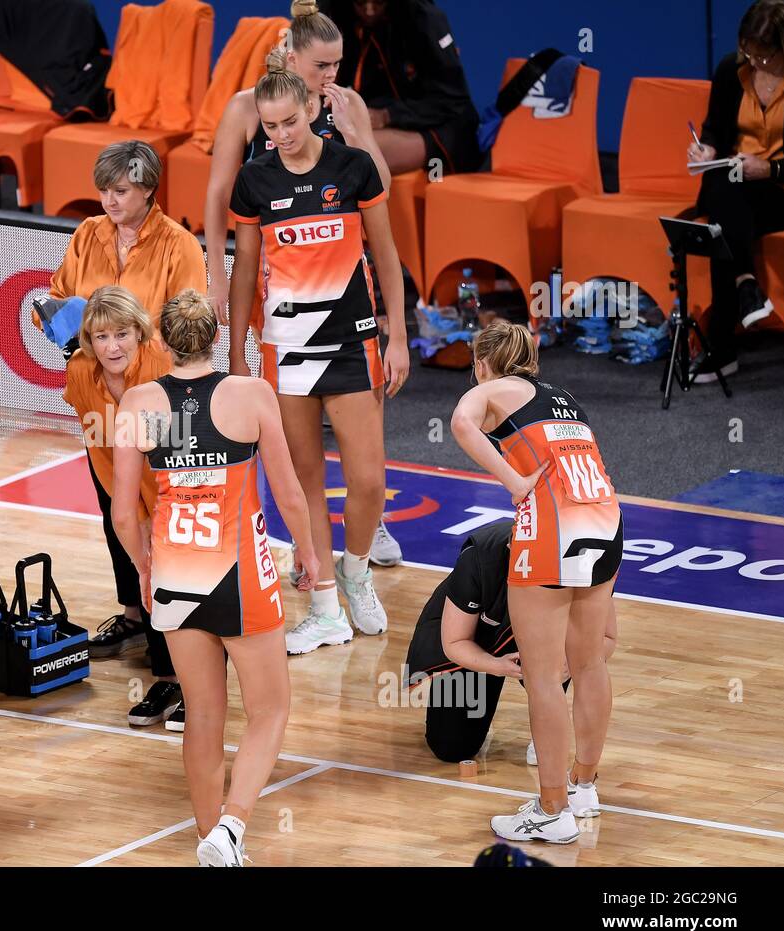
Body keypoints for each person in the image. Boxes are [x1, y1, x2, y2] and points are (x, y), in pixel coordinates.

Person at [112, 290, 320, 866]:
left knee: (202, 715)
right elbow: (289, 491)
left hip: (175, 575)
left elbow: (123, 514)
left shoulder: (136, 402)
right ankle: (231, 825)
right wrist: (308, 555)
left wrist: (146, 568)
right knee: (270, 711)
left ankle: (215, 841)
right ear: (218, 339)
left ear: (159, 343)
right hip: (238, 574)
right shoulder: (251, 394)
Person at [203, 0, 401, 568]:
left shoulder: (347, 105)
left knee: (365, 422)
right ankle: (305, 548)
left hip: (345, 279)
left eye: (338, 65)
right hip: (280, 286)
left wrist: (355, 130)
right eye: (321, 66)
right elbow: (220, 197)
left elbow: (379, 186)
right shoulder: (247, 108)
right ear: (291, 57)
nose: (331, 76)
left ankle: (372, 523)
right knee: (295, 439)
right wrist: (216, 276)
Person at [228, 53, 410, 655]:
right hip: (286, 350)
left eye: (289, 122)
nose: (279, 135)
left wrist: (400, 336)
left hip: (354, 343)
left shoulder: (354, 169)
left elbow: (385, 255)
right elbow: (246, 269)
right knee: (304, 480)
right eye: (269, 126)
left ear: (311, 109)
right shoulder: (255, 180)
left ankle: (356, 571)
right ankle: (326, 606)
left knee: (367, 480)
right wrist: (238, 351)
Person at [46, 141, 207, 714]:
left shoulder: (179, 245)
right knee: (116, 513)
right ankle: (138, 620)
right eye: (104, 190)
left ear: (149, 189)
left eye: (122, 191)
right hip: (95, 398)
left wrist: (133, 363)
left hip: (156, 405)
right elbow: (60, 299)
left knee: (158, 529)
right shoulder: (88, 234)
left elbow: (189, 321)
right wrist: (83, 351)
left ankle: (182, 666)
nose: (109, 201)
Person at [451, 322, 622, 844]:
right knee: (589, 663)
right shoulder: (564, 399)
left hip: (552, 523)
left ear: (481, 363)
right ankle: (584, 786)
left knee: (544, 677)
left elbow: (460, 421)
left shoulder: (490, 388)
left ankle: (552, 811)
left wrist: (513, 480)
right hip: (606, 516)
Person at [60, 286, 185, 729]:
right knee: (144, 575)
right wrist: (127, 508)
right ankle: (168, 679)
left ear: (140, 333)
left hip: (176, 489)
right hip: (123, 488)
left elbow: (181, 444)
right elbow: (97, 443)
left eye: (122, 335)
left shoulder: (162, 366)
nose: (111, 347)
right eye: (100, 337)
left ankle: (199, 688)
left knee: (184, 583)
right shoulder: (79, 372)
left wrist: (164, 508)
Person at [405, 519, 617, 764]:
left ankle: (549, 729)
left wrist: (572, 663)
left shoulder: (582, 563)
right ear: (510, 548)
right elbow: (454, 641)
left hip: (550, 644)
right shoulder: (478, 559)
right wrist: (496, 665)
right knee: (451, 747)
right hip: (480, 642)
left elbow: (607, 638)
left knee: (571, 645)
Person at [688, 0, 784, 383]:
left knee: (722, 220)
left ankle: (722, 351)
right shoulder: (732, 69)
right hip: (738, 188)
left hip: (781, 188)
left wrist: (772, 167)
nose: (756, 62)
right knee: (726, 195)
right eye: (750, 52)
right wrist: (707, 149)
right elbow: (714, 128)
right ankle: (746, 286)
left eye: (766, 55)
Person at [317, 0, 482, 176]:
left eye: (379, 2)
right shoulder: (330, 13)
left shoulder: (425, 19)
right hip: (371, 116)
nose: (370, 11)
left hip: (438, 124)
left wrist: (386, 115)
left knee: (339, 153)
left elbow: (453, 99)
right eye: (359, 3)